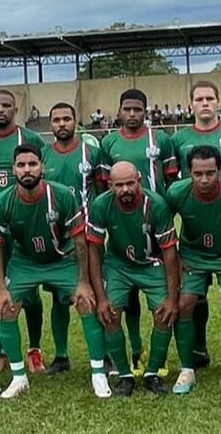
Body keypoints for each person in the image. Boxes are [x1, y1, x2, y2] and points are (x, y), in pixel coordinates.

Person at [0, 144, 110, 399]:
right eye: (21, 165)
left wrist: (83, 281)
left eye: (32, 164)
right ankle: (19, 377)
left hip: (62, 259)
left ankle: (98, 373)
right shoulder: (3, 201)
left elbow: (79, 241)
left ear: (42, 166)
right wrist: (0, 289)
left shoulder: (62, 195)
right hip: (25, 262)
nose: (27, 170)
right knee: (6, 308)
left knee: (87, 302)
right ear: (13, 170)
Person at [171, 81, 221, 369]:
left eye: (209, 98)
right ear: (190, 103)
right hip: (195, 227)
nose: (205, 103)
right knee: (193, 298)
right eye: (199, 99)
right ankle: (198, 349)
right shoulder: (178, 139)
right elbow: (175, 190)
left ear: (218, 101)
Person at [0, 89, 48, 373]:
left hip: (25, 222)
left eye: (6, 105)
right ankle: (2, 350)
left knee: (30, 290)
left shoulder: (32, 139)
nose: (0, 110)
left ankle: (35, 348)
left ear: (15, 109)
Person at [165, 145, 221, 395]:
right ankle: (187, 369)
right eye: (198, 174)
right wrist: (175, 256)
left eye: (210, 173)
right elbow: (162, 221)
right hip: (193, 255)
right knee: (184, 304)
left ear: (220, 171)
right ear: (188, 172)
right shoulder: (176, 192)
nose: (204, 179)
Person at [100, 89, 177, 375]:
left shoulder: (162, 140)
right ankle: (135, 349)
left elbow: (170, 181)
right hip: (123, 227)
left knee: (163, 297)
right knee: (126, 296)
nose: (132, 114)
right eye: (127, 109)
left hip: (154, 223)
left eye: (137, 109)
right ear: (119, 111)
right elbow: (103, 185)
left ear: (146, 111)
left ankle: (159, 356)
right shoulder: (108, 142)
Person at [88, 161, 179, 396]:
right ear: (110, 185)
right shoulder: (100, 205)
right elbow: (94, 251)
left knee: (164, 314)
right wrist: (101, 297)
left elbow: (169, 253)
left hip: (151, 263)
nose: (126, 189)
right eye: (119, 185)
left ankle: (151, 373)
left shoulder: (156, 205)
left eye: (130, 183)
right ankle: (125, 375)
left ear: (139, 180)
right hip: (118, 264)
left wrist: (172, 297)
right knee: (110, 314)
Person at [41, 102, 105, 375]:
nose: (62, 124)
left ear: (76, 121)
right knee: (60, 298)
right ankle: (61, 354)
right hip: (60, 240)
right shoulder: (44, 155)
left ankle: (104, 356)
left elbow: (101, 192)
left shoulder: (92, 152)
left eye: (67, 119)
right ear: (51, 124)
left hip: (90, 236)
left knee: (98, 293)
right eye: (56, 120)